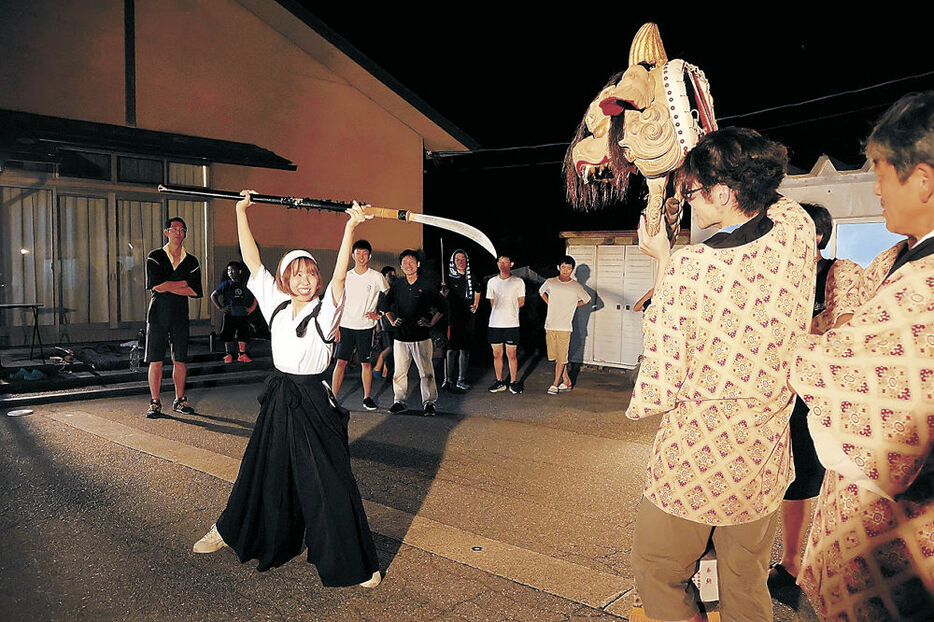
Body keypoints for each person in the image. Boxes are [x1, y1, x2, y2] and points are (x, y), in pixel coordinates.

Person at [627, 127, 816, 622]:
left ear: (725, 194)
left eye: (692, 191)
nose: (687, 199)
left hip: (698, 459)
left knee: (657, 569)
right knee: (745, 575)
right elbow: (771, 200)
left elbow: (660, 385)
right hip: (764, 456)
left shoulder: (692, 268)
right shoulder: (796, 230)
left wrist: (663, 260)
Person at [789, 92, 934, 621]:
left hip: (898, 545)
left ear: (923, 179)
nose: (874, 188)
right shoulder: (898, 255)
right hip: (853, 519)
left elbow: (842, 365)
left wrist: (813, 349)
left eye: (880, 173)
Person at [192, 190, 380, 589]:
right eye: (296, 273)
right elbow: (251, 259)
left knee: (330, 479)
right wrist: (241, 212)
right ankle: (229, 531)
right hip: (279, 395)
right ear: (284, 279)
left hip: (314, 398)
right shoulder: (274, 301)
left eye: (311, 273)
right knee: (261, 468)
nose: (305, 280)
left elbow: (342, 275)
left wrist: (350, 228)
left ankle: (355, 562)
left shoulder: (327, 310)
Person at [767, 202, 863, 593]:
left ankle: (799, 563)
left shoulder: (840, 272)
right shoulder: (778, 278)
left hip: (818, 393)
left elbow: (846, 325)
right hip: (776, 389)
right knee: (779, 475)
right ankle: (779, 561)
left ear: (817, 236)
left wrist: (801, 341)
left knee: (810, 475)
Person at [144, 216, 203, 418]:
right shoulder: (155, 257)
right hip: (158, 313)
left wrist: (169, 285)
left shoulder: (192, 261)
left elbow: (195, 291)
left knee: (180, 358)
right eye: (174, 229)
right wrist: (182, 284)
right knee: (156, 359)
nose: (178, 232)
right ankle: (154, 402)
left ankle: (180, 399)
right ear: (166, 232)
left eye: (182, 229)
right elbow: (156, 286)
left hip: (180, 314)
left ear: (185, 234)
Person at [379, 249, 444, 416]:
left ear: (418, 264)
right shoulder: (398, 285)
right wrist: (392, 320)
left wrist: (431, 322)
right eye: (405, 263)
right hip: (401, 337)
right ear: (401, 266)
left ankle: (429, 403)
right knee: (400, 373)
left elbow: (442, 306)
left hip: (422, 337)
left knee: (427, 373)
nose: (408, 265)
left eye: (411, 262)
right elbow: (385, 305)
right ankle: (399, 402)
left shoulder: (426, 284)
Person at [330, 239, 388, 411]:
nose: (361, 257)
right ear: (352, 255)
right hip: (346, 326)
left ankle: (367, 397)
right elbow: (337, 301)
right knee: (341, 362)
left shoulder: (376, 277)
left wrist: (380, 315)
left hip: (366, 327)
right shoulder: (346, 276)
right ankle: (333, 397)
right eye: (358, 253)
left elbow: (388, 296)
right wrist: (337, 326)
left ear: (369, 256)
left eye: (365, 254)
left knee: (366, 363)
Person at [539, 255, 590, 395]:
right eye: (563, 267)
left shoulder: (576, 286)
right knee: (556, 357)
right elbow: (541, 292)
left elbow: (587, 300)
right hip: (550, 324)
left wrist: (573, 305)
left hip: (564, 327)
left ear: (572, 270)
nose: (566, 270)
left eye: (569, 268)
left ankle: (555, 384)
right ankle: (566, 380)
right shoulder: (551, 282)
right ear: (558, 268)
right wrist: (550, 303)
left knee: (562, 356)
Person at [486, 253, 526, 394]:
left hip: (512, 324)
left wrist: (509, 310)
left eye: (506, 262)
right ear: (497, 264)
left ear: (511, 264)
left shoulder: (518, 281)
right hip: (495, 324)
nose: (502, 264)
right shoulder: (491, 282)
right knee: (497, 354)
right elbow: (492, 302)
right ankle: (499, 381)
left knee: (512, 354)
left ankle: (513, 382)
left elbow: (521, 302)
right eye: (500, 262)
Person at [442, 249, 480, 391]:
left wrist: (476, 304)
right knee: (451, 350)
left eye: (463, 259)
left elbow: (478, 290)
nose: (461, 262)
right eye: (457, 259)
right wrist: (443, 294)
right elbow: (442, 296)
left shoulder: (472, 277)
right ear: (453, 261)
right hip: (453, 318)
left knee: (465, 350)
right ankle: (447, 379)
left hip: (468, 318)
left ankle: (461, 379)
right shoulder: (448, 278)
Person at [210, 260, 258, 363]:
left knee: (243, 334)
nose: (230, 273)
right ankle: (228, 355)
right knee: (228, 334)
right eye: (228, 270)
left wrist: (252, 308)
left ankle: (242, 354)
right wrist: (220, 308)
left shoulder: (245, 284)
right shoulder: (226, 284)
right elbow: (213, 295)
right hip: (230, 314)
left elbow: (256, 295)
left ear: (239, 271)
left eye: (232, 270)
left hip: (242, 314)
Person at [372, 266, 396, 380]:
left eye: (393, 275)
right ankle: (378, 366)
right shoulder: (381, 292)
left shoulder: (391, 290)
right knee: (390, 347)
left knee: (388, 346)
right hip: (385, 322)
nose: (392, 278)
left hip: (390, 321)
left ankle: (385, 372)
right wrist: (377, 324)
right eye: (390, 275)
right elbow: (376, 308)